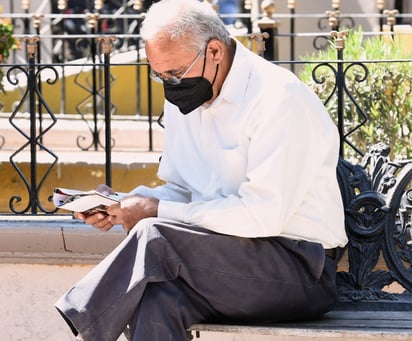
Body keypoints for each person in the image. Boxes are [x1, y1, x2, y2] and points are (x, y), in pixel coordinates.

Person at [55, 0, 348, 340]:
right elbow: (182, 190)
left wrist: (156, 211)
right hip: (223, 259)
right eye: (159, 74)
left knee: (154, 236)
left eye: (175, 73)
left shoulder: (278, 99)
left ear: (214, 51)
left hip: (299, 269)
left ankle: (82, 327)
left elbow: (263, 217)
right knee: (160, 298)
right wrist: (126, 203)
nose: (169, 84)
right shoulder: (187, 99)